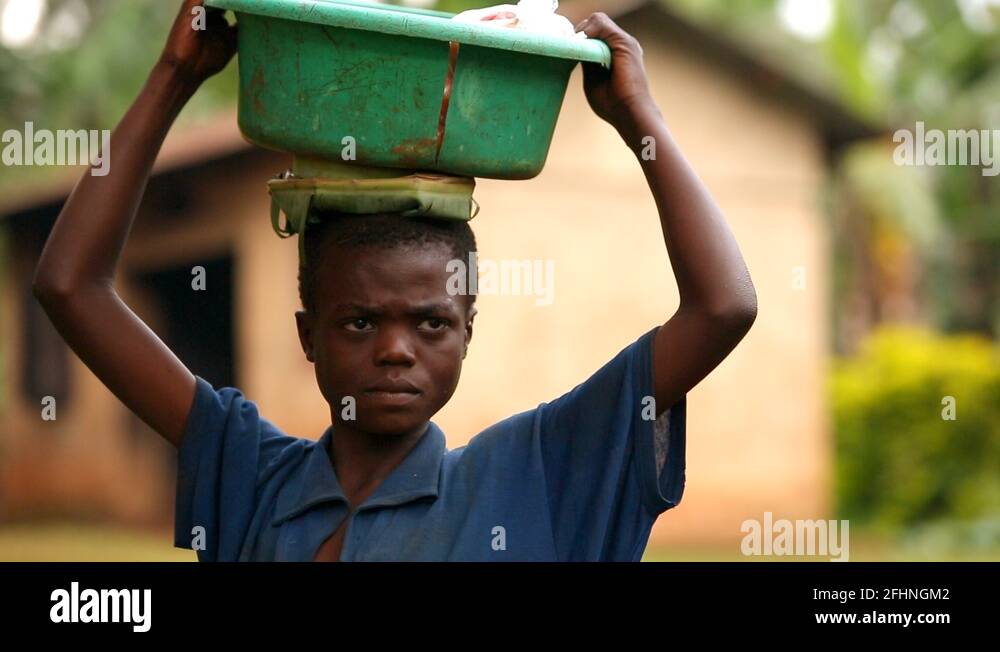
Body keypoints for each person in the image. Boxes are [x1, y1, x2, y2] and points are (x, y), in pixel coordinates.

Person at [33, 0, 757, 561]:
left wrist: (641, 118)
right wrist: (175, 77)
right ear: (306, 335)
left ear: (469, 330)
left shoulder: (540, 470)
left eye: (430, 322)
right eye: (358, 322)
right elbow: (70, 286)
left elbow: (723, 307)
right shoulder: (247, 473)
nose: (395, 350)